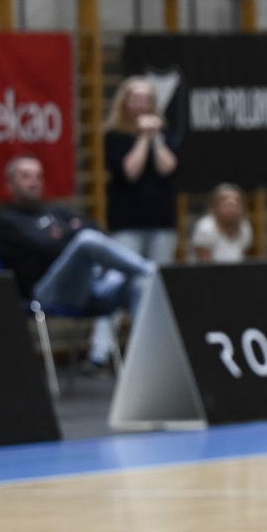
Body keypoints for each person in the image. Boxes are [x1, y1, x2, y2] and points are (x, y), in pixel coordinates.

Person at [0, 155, 156, 366]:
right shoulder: (7, 220)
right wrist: (71, 234)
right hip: (47, 294)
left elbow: (94, 227)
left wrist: (61, 235)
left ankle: (145, 365)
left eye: (38, 176)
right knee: (86, 241)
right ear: (10, 184)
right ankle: (155, 270)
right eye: (25, 176)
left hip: (88, 288)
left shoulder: (56, 211)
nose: (33, 182)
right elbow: (47, 247)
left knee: (140, 284)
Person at [92, 76, 179, 370]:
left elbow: (168, 167)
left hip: (161, 223)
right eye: (135, 97)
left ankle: (149, 353)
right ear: (125, 102)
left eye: (146, 98)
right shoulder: (114, 136)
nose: (141, 103)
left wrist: (155, 137)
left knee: (156, 288)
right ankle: (100, 352)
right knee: (117, 284)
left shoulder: (163, 134)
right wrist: (142, 138)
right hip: (127, 224)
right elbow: (131, 171)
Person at [190, 184, 252, 263]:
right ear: (214, 206)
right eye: (225, 203)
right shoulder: (205, 228)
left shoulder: (245, 227)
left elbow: (243, 259)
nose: (230, 207)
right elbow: (204, 265)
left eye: (236, 202)